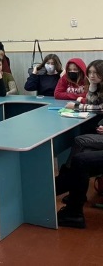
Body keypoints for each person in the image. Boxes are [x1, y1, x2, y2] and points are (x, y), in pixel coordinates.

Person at [56, 60, 103, 228]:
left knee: (81, 157)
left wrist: (77, 106)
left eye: (96, 73)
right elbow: (92, 102)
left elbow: (99, 108)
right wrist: (92, 86)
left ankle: (70, 202)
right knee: (81, 147)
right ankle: (71, 188)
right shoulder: (97, 87)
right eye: (90, 73)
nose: (92, 76)